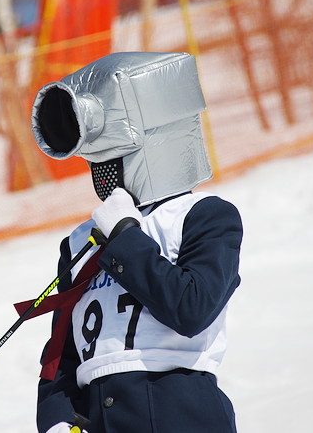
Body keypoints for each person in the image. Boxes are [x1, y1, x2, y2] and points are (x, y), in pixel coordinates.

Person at [26, 52, 242, 433]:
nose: (104, 171)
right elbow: (61, 353)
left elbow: (191, 309)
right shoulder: (79, 242)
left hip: (179, 407)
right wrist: (57, 418)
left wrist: (126, 235)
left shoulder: (203, 215)